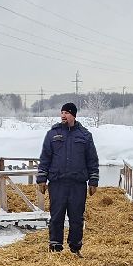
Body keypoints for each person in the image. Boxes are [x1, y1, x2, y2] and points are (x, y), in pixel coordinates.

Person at [36, 102, 99, 254]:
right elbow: (45, 157)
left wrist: (93, 181)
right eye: (62, 112)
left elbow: (92, 159)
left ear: (73, 115)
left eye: (67, 113)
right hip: (57, 182)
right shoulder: (53, 134)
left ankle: (75, 248)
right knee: (56, 216)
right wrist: (41, 179)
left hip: (77, 184)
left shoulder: (85, 135)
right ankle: (55, 247)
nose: (63, 115)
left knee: (76, 218)